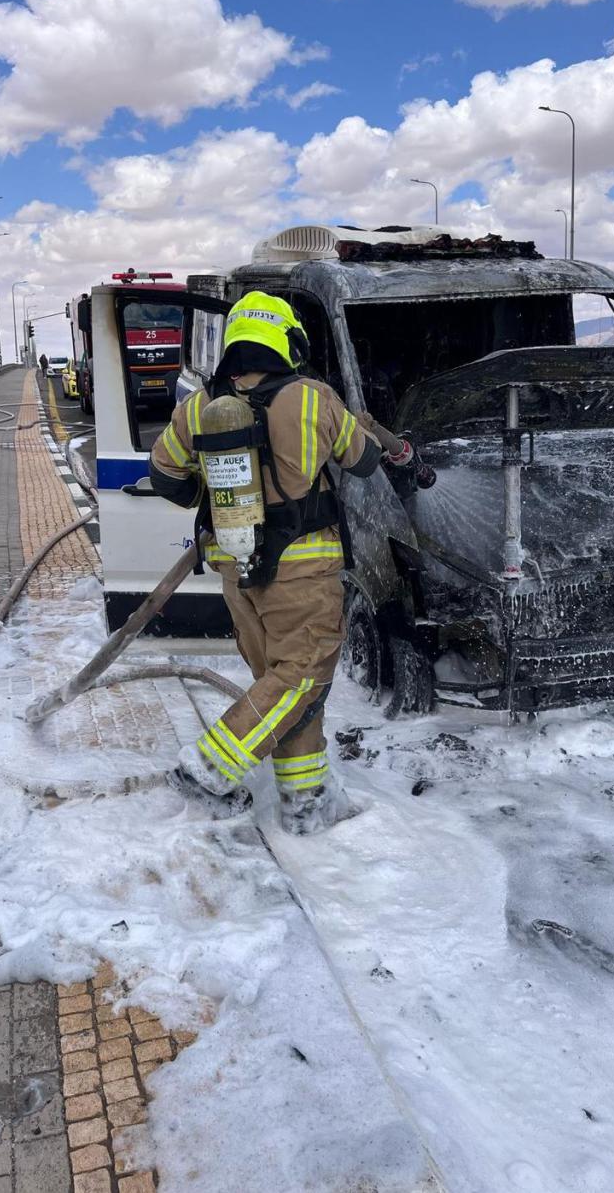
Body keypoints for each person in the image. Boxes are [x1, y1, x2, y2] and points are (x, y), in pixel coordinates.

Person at [149, 291, 383, 835]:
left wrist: (215, 496)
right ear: (286, 340)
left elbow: (164, 474)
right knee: (300, 680)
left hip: (238, 572)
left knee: (282, 689)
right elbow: (366, 461)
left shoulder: (201, 405)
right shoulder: (313, 398)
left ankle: (305, 803)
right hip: (303, 571)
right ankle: (209, 768)